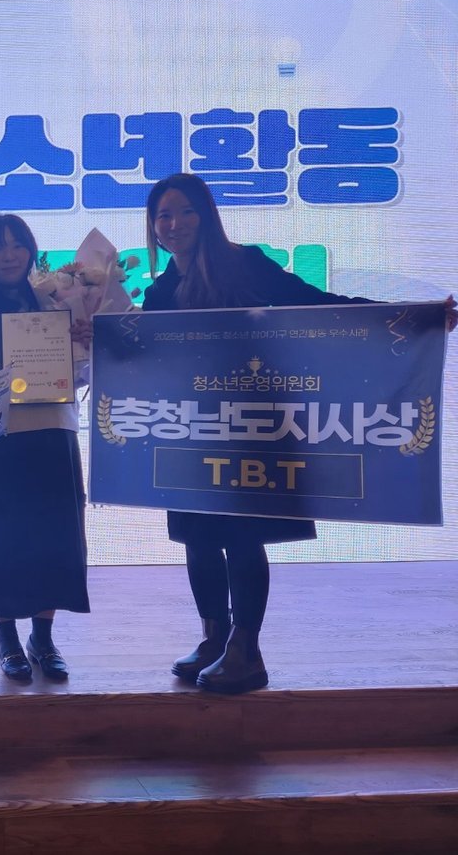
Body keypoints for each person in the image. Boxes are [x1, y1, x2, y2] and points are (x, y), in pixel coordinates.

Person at [141, 172, 456, 694]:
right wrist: (94, 335)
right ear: (153, 227)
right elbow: (144, 355)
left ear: (207, 215)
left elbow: (319, 304)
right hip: (191, 431)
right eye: (164, 216)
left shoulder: (245, 264)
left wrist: (411, 318)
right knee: (197, 537)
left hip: (249, 426)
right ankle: (213, 639)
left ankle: (246, 651)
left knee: (242, 536)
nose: (175, 224)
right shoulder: (157, 292)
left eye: (187, 211)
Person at [0, 215, 91, 682]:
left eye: (17, 246)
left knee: (54, 538)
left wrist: (85, 346)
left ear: (30, 251)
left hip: (51, 430)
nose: (9, 256)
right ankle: (7, 640)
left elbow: (81, 376)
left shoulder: (55, 302)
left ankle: (43, 639)